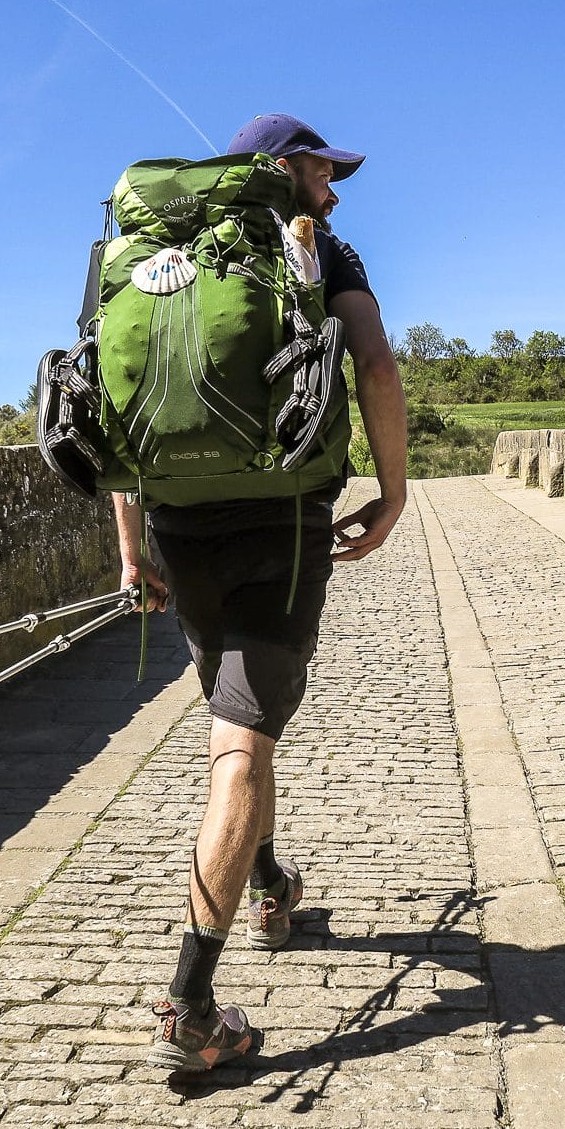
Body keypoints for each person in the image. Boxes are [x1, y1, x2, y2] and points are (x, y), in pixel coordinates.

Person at [116, 113, 410, 1072]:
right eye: (329, 170)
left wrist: (132, 546)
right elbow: (372, 360)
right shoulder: (319, 247)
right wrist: (395, 492)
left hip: (176, 519)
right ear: (286, 167)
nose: (337, 189)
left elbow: (120, 399)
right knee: (240, 746)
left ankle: (272, 878)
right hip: (281, 522)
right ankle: (190, 1006)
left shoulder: (151, 250)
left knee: (240, 724)